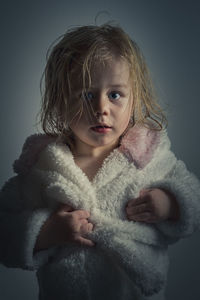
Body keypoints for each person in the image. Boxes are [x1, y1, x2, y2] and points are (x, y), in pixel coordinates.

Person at [0, 22, 200, 300]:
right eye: (87, 95)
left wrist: (170, 203)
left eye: (115, 94)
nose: (101, 109)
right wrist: (45, 232)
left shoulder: (148, 156)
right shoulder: (44, 166)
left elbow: (195, 197)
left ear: (134, 99)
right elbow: (4, 227)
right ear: (60, 102)